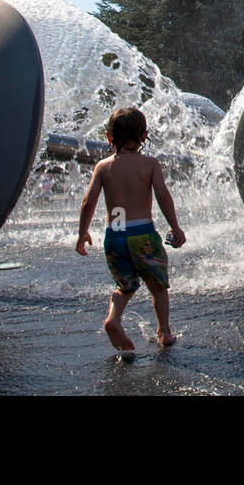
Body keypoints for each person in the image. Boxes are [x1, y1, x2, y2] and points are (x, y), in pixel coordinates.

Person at [76, 106, 187, 354]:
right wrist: (174, 226)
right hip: (143, 235)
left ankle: (113, 319)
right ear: (144, 136)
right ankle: (165, 332)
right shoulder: (149, 164)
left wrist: (82, 232)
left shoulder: (103, 167)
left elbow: (88, 201)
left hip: (114, 236)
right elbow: (162, 195)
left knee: (124, 286)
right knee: (158, 286)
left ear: (109, 137)